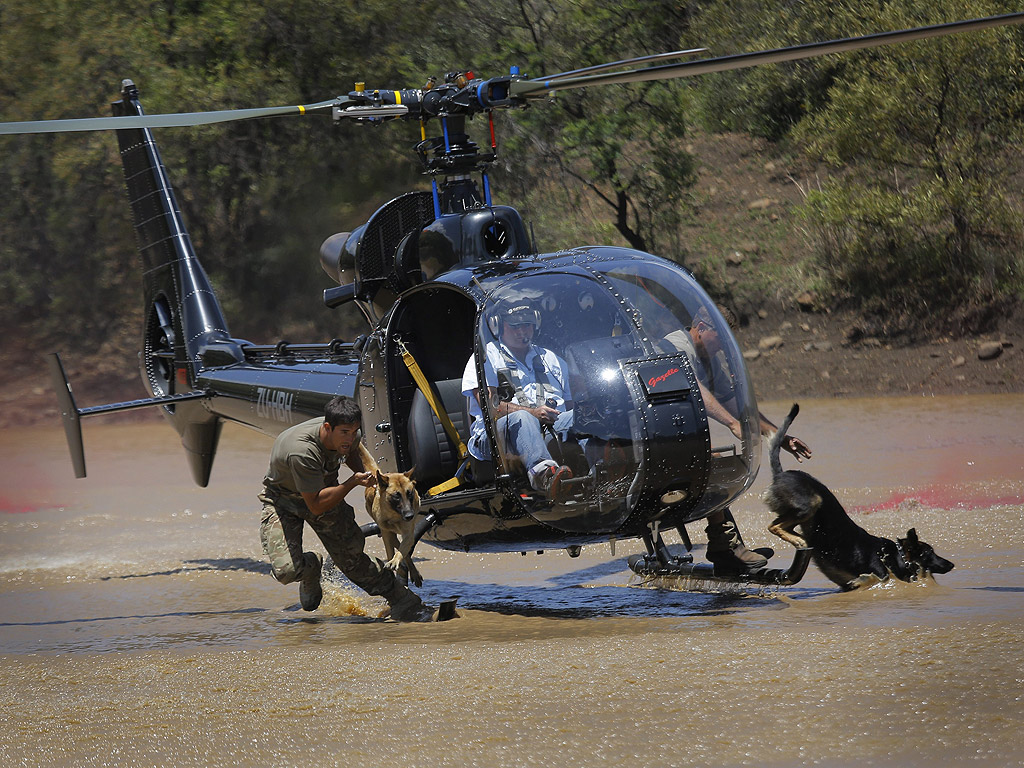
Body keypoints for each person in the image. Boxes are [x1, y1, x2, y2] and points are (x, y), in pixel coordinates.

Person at [660, 305, 813, 571]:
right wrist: (731, 424)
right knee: (713, 463)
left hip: (680, 438)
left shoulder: (709, 360)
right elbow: (691, 385)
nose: (721, 349)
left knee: (718, 462)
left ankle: (728, 546)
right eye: (720, 340)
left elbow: (738, 407)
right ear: (702, 329)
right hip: (653, 442)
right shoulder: (674, 347)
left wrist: (780, 437)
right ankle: (725, 548)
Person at [258, 395, 433, 621]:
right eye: (344, 433)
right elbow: (316, 504)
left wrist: (371, 478)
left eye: (354, 432)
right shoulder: (301, 451)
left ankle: (402, 599)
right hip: (284, 500)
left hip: (325, 492)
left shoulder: (349, 433)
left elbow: (351, 452)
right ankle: (311, 567)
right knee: (286, 572)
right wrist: (352, 482)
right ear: (327, 427)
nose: (350, 438)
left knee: (353, 560)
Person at [462, 300, 574, 500]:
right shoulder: (486, 358)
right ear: (497, 325)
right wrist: (533, 413)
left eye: (528, 325)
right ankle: (545, 476)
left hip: (549, 429)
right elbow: (491, 408)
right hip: (496, 437)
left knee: (581, 417)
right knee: (523, 417)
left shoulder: (551, 359)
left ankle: (613, 469)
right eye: (515, 326)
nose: (523, 331)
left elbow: (571, 403)